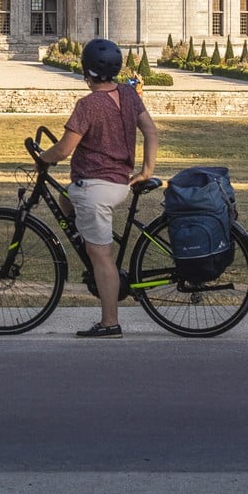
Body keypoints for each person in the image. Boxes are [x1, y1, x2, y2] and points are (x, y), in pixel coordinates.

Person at [33, 38, 158, 338]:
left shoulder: (88, 105)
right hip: (119, 184)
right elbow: (151, 131)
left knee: (101, 254)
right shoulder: (128, 95)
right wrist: (146, 170)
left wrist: (42, 159)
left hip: (96, 189)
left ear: (86, 72)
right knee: (67, 199)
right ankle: (94, 255)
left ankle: (109, 322)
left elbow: (64, 150)